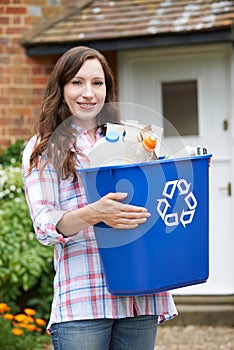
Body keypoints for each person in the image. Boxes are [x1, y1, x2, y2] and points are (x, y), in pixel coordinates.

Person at [22, 46, 177, 350]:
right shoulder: (44, 148)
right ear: (61, 87)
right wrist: (95, 213)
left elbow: (164, 194)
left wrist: (187, 173)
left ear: (108, 88)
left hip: (140, 291)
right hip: (84, 296)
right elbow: (45, 225)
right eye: (77, 82)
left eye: (97, 82)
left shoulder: (134, 139)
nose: (88, 93)